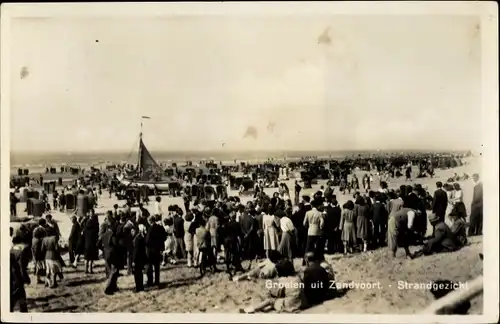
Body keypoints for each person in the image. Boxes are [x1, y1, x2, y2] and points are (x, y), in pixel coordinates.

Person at [10, 235, 31, 312]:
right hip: (18, 277)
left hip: (11, 277)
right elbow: (22, 268)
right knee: (21, 295)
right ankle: (23, 312)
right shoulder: (22, 251)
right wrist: (26, 278)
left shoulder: (11, 250)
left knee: (12, 296)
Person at [145, 215, 165, 287]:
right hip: (158, 249)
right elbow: (164, 236)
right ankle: (157, 281)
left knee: (149, 267)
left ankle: (150, 281)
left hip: (150, 250)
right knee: (157, 267)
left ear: (150, 221)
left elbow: (147, 240)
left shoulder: (150, 229)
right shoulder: (160, 227)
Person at [132, 224, 147, 293]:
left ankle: (138, 287)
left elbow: (136, 251)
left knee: (137, 274)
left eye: (132, 231)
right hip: (141, 258)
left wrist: (134, 260)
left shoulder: (137, 239)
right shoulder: (140, 237)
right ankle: (141, 286)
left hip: (137, 259)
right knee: (140, 274)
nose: (131, 232)